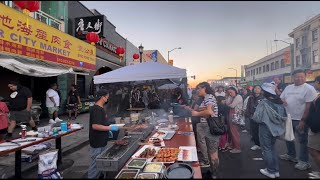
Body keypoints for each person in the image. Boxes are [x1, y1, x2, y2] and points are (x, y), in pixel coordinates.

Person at [279, 69, 318, 171]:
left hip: (300, 119)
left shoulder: (309, 88)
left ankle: (304, 161)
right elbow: (281, 97)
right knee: (288, 137)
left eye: (301, 76)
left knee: (302, 140)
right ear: (293, 78)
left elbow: (309, 106)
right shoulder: (288, 87)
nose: (299, 78)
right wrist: (283, 101)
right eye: (297, 76)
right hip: (288, 117)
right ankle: (291, 155)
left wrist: (303, 120)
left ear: (305, 77)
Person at [253, 82, 287, 178]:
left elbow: (257, 117)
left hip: (265, 128)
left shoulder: (264, 103)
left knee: (266, 149)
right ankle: (275, 170)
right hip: (276, 129)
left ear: (265, 92)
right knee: (272, 148)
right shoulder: (280, 103)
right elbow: (283, 116)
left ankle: (270, 171)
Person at [187, 82, 220, 178]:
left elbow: (209, 112)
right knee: (210, 151)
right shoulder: (205, 98)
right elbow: (205, 112)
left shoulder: (209, 97)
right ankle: (212, 170)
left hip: (210, 126)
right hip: (205, 125)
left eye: (198, 88)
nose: (197, 90)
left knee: (213, 152)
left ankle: (215, 173)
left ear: (204, 88)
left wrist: (196, 114)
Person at [88, 89, 123, 179]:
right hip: (97, 141)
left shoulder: (101, 108)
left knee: (101, 163)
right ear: (102, 97)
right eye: (107, 96)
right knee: (96, 164)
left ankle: (100, 176)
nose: (108, 97)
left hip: (102, 140)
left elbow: (102, 122)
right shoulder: (96, 109)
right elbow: (95, 126)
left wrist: (110, 124)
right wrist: (111, 128)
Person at [306, 76, 320, 179]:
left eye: (315, 82)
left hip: (316, 129)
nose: (314, 84)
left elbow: (317, 114)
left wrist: (313, 127)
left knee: (313, 150)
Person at [245, 85, 264, 151]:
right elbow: (248, 106)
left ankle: (262, 145)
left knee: (261, 132)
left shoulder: (263, 97)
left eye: (258, 88)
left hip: (260, 117)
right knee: (254, 131)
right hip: (252, 116)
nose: (256, 89)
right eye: (255, 88)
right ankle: (257, 144)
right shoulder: (251, 97)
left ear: (261, 90)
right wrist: (248, 114)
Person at [225, 86, 243, 153]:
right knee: (232, 131)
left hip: (235, 115)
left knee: (234, 132)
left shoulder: (238, 97)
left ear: (235, 91)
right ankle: (233, 146)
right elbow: (227, 103)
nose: (230, 93)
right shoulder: (232, 97)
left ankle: (237, 148)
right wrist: (229, 97)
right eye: (229, 92)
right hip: (232, 114)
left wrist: (229, 103)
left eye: (231, 92)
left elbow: (232, 105)